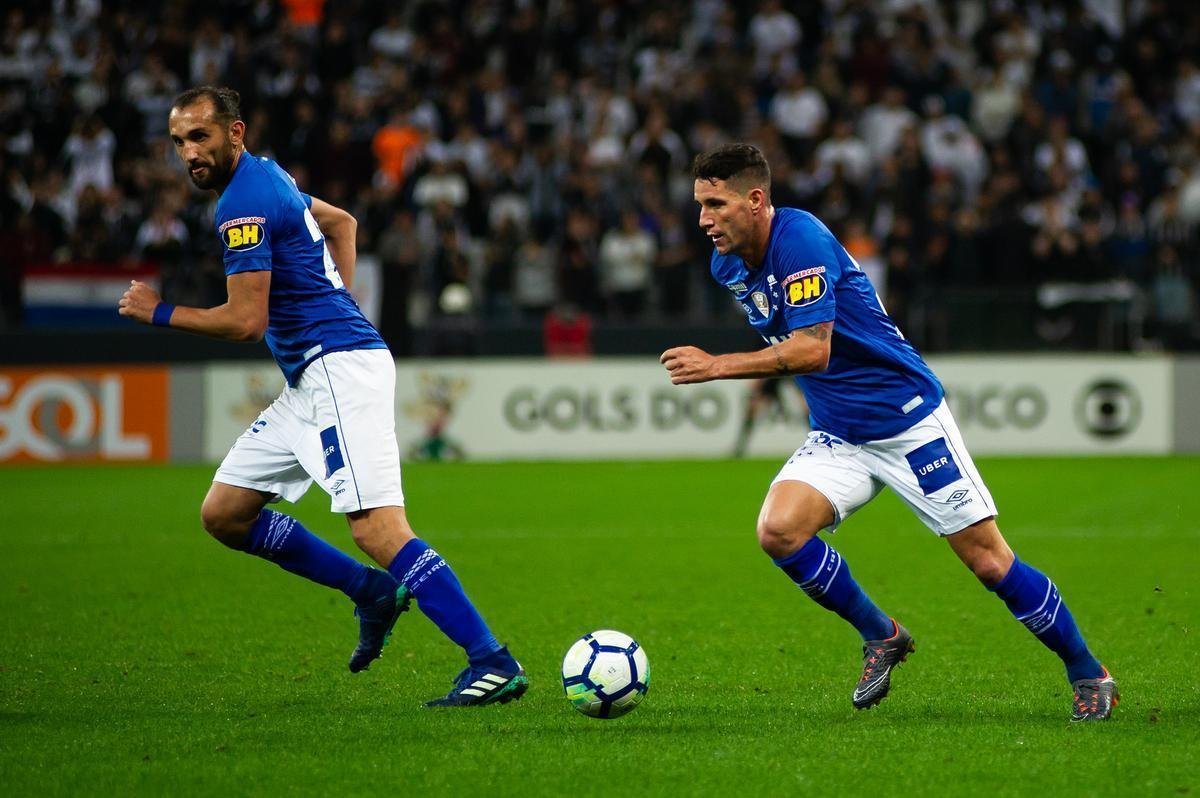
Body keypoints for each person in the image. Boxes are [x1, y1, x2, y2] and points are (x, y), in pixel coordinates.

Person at [661, 143, 1116, 721]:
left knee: (988, 562)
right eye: (699, 205)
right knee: (779, 531)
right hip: (840, 433)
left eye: (714, 204)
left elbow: (814, 349)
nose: (703, 219)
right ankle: (883, 635)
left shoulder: (801, 241)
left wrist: (717, 365)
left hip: (906, 421)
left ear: (755, 200)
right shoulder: (727, 265)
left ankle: (1088, 671)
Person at [117, 86, 527, 707]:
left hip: (335, 370)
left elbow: (245, 322)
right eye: (178, 142)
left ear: (235, 133)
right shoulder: (268, 177)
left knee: (378, 527)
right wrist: (340, 299)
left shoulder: (243, 204)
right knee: (225, 514)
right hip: (315, 375)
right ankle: (370, 592)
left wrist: (159, 312)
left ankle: (492, 661)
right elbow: (342, 223)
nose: (188, 154)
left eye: (199, 137)